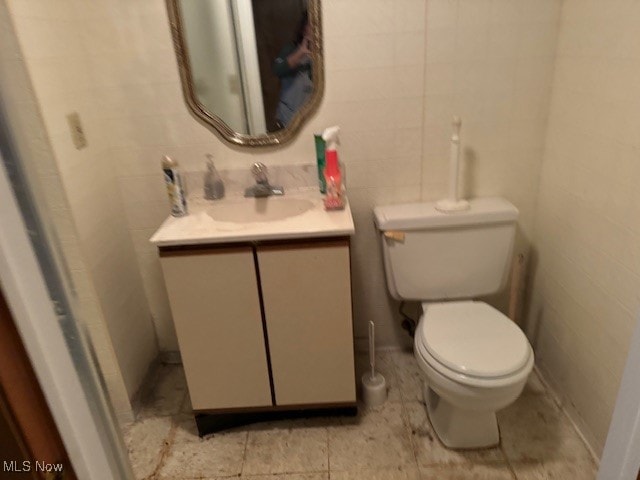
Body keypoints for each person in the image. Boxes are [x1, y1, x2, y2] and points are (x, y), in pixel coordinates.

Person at [273, 12, 313, 128]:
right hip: (287, 117)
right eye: (311, 25)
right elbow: (277, 70)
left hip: (310, 118)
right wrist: (300, 52)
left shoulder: (324, 55)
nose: (315, 29)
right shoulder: (290, 50)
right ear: (303, 29)